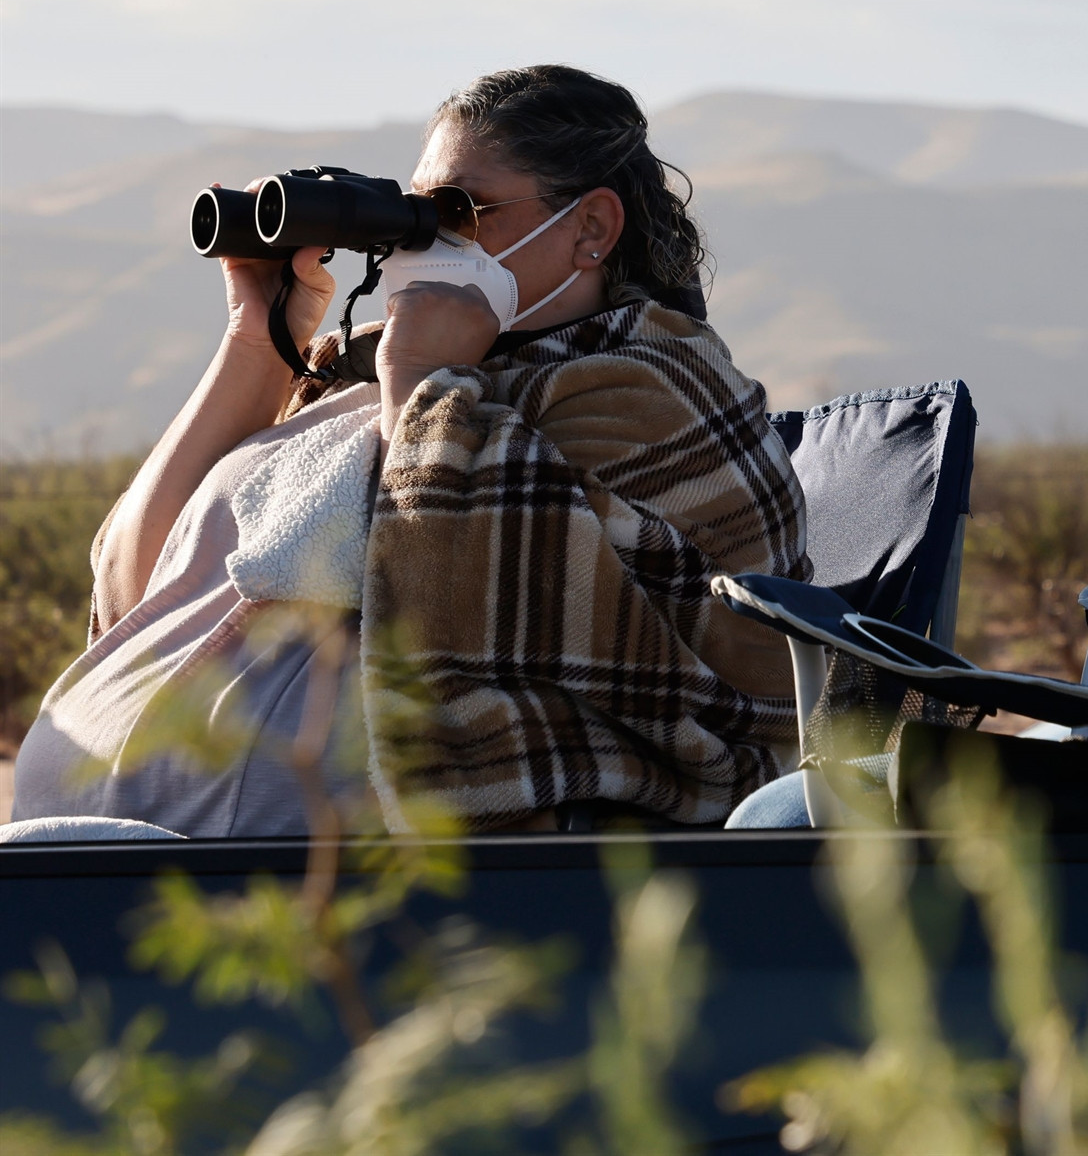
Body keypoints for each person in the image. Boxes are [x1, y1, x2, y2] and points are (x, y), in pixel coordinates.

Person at [12, 65, 809, 836]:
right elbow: (132, 592)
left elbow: (518, 624)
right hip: (121, 848)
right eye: (417, 210)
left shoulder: (649, 392)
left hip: (305, 884)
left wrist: (424, 380)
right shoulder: (361, 378)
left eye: (461, 209)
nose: (425, 238)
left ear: (591, 229)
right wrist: (257, 341)